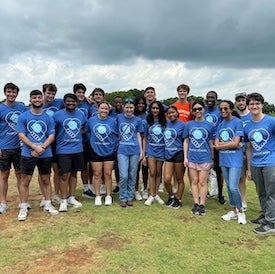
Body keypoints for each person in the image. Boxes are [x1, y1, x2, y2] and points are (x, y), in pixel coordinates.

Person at [16, 89, 58, 221]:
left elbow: (51, 135)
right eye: (34, 98)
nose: (37, 100)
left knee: (46, 179)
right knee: (25, 181)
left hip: (45, 153)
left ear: (42, 99)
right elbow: (21, 135)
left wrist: (42, 147)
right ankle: (23, 206)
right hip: (28, 153)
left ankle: (48, 203)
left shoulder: (48, 117)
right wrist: (34, 147)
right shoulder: (23, 116)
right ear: (30, 100)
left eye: (39, 97)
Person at [245, 93, 275, 234]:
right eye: (251, 104)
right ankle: (264, 216)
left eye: (257, 103)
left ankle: (272, 222)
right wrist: (249, 169)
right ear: (248, 106)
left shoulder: (271, 121)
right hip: (256, 163)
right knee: (261, 192)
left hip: (270, 162)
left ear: (262, 105)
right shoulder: (247, 126)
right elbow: (249, 148)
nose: (254, 106)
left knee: (271, 192)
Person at [215, 100, 246, 225]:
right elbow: (216, 144)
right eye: (221, 109)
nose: (223, 111)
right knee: (228, 186)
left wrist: (225, 144)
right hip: (224, 159)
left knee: (234, 186)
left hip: (235, 160)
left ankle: (241, 211)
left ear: (231, 109)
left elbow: (236, 142)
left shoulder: (237, 122)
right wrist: (230, 144)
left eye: (226, 109)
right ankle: (233, 210)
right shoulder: (220, 125)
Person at [54, 93, 86, 212]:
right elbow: (54, 130)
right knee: (64, 175)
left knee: (74, 174)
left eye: (73, 102)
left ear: (77, 103)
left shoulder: (81, 115)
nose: (71, 103)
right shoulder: (57, 115)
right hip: (63, 150)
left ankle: (71, 197)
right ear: (64, 102)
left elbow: (83, 128)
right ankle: (63, 200)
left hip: (77, 149)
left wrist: (76, 135)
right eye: (68, 101)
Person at [0, 83, 28, 214]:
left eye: (14, 92)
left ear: (17, 94)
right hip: (4, 147)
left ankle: (23, 201)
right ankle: (3, 203)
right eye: (9, 92)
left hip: (19, 147)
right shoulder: (0, 108)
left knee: (20, 175)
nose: (11, 94)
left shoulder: (22, 108)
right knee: (4, 175)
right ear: (5, 92)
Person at [183, 100, 214, 215]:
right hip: (192, 157)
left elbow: (211, 144)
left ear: (204, 109)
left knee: (202, 182)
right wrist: (185, 157)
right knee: (194, 181)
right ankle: (196, 203)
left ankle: (202, 204)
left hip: (205, 157)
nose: (197, 111)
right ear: (192, 111)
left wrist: (212, 158)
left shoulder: (209, 125)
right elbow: (186, 141)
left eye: (199, 109)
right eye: (195, 109)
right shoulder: (189, 125)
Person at [86, 101, 118, 206]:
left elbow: (117, 134)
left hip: (109, 150)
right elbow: (87, 132)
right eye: (102, 108)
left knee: (108, 174)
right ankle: (98, 196)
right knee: (97, 174)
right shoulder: (91, 121)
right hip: (95, 150)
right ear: (98, 109)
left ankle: (108, 195)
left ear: (109, 110)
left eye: (106, 109)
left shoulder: (113, 121)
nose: (104, 111)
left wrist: (113, 145)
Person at [117, 98, 143, 207]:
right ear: (123, 108)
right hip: (122, 150)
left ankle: (129, 196)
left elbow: (138, 135)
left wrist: (141, 151)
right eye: (127, 107)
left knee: (133, 174)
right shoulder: (118, 118)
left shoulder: (138, 120)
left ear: (134, 108)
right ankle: (122, 196)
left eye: (131, 107)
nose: (129, 109)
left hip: (134, 150)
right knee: (123, 175)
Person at [41, 83, 64, 206]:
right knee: (43, 172)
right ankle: (45, 197)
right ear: (44, 92)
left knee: (57, 170)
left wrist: (88, 98)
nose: (51, 96)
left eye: (53, 94)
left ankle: (56, 194)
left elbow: (75, 100)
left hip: (56, 142)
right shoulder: (38, 104)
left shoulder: (59, 103)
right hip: (42, 142)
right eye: (49, 93)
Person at [73, 83, 95, 200]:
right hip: (72, 140)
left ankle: (87, 188)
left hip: (85, 139)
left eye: (83, 92)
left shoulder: (88, 104)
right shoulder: (68, 102)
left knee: (86, 165)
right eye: (78, 92)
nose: (81, 94)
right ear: (74, 93)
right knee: (72, 166)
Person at [143, 101, 166, 206]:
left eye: (157, 108)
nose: (155, 110)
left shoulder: (165, 121)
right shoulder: (147, 122)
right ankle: (151, 194)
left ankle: (156, 194)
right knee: (152, 172)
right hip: (150, 150)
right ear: (150, 110)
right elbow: (144, 138)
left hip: (161, 150)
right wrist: (143, 154)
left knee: (158, 173)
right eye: (153, 108)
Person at [204, 91, 225, 204]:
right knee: (205, 169)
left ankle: (220, 194)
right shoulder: (204, 110)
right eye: (208, 98)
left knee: (218, 170)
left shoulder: (219, 111)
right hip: (205, 143)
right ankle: (206, 190)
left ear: (216, 99)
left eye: (212, 97)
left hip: (217, 144)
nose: (209, 99)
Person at [164, 106, 185, 209]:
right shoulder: (166, 123)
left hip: (179, 153)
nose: (171, 115)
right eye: (169, 113)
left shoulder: (182, 125)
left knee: (179, 178)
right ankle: (171, 196)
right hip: (168, 154)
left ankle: (178, 199)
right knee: (167, 179)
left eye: (173, 112)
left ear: (177, 113)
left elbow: (186, 141)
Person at [235, 92, 251, 211]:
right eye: (238, 101)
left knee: (256, 179)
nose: (241, 103)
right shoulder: (235, 117)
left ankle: (265, 206)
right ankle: (243, 201)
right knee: (241, 179)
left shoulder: (252, 115)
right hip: (239, 153)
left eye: (243, 100)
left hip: (253, 152)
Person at [134, 96, 149, 200]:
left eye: (143, 103)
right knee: (135, 170)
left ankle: (145, 188)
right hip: (134, 145)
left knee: (145, 169)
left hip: (146, 143)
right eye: (139, 103)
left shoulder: (148, 116)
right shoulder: (132, 115)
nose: (140, 105)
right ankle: (135, 190)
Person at [109, 96, 124, 194]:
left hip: (124, 143)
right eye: (116, 102)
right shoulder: (111, 112)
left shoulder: (126, 112)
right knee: (116, 167)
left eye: (120, 102)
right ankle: (118, 185)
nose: (118, 104)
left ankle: (125, 185)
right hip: (114, 143)